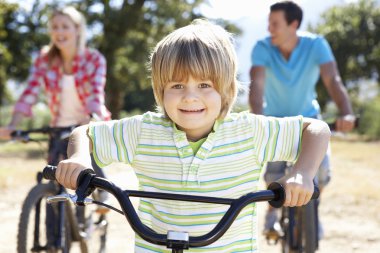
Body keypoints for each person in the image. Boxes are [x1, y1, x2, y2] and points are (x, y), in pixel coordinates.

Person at [55, 19, 330, 252]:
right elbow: (86, 132)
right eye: (176, 85)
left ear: (225, 89)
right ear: (160, 90)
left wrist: (302, 173)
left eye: (204, 84)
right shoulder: (143, 132)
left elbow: (315, 129)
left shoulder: (248, 132)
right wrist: (79, 158)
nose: (189, 97)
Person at [0, 6, 111, 248]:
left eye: (65, 26)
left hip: (86, 124)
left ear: (78, 30)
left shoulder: (94, 59)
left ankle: (103, 193)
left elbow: (95, 94)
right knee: (53, 180)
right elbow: (29, 92)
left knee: (87, 165)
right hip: (58, 127)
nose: (59, 32)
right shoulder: (44, 59)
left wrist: (92, 118)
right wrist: (13, 124)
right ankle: (54, 243)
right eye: (54, 27)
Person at [248, 1, 355, 237]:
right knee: (274, 175)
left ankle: (312, 210)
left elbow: (332, 80)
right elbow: (256, 88)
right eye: (268, 23)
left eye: (275, 24)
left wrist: (346, 112)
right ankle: (272, 214)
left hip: (311, 121)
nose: (270, 29)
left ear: (293, 24)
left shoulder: (316, 45)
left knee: (322, 172)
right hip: (276, 121)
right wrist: (257, 120)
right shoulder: (262, 48)